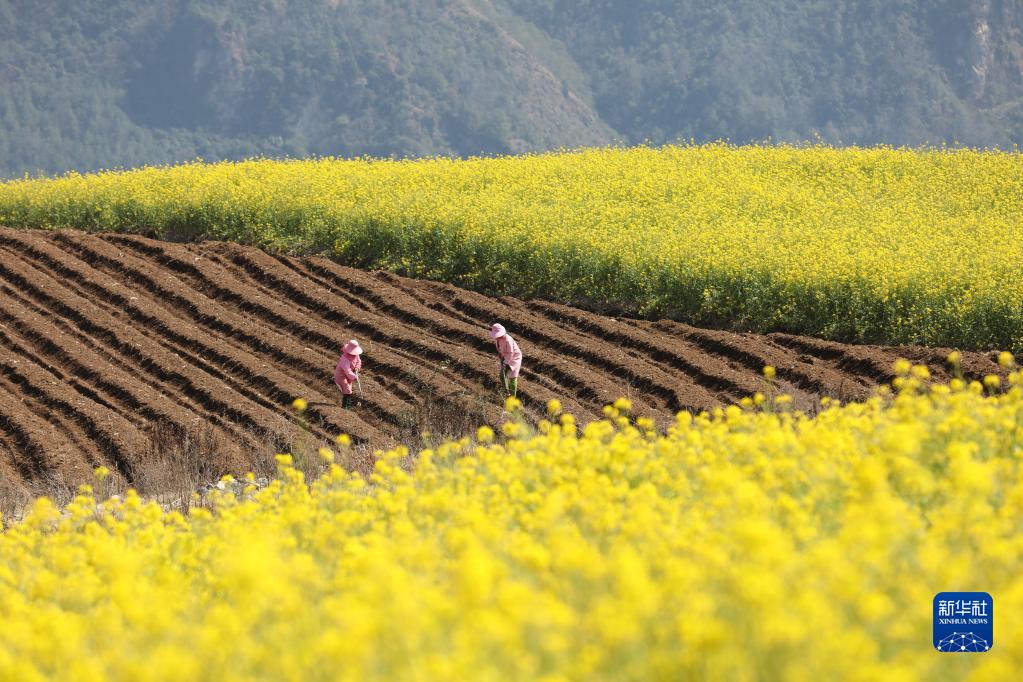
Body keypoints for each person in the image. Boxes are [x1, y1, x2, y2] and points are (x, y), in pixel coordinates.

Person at [489, 323, 522, 397]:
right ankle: (507, 393)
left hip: (515, 358)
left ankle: (512, 397)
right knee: (502, 375)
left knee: (512, 378)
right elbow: (499, 348)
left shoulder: (508, 339)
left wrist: (505, 363)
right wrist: (500, 355)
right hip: (506, 357)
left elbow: (510, 353)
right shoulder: (498, 340)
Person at [334, 339, 363, 409]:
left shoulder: (356, 355)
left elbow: (359, 361)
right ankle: (345, 407)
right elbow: (347, 370)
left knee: (349, 389)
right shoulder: (344, 358)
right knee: (347, 390)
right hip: (341, 375)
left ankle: (348, 406)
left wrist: (357, 368)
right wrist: (354, 377)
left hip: (349, 375)